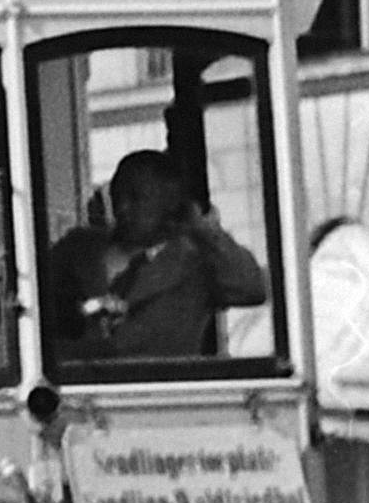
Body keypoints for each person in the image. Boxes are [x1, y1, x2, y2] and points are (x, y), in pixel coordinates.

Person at [47, 151, 271, 369]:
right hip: (78, 388)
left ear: (171, 200)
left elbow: (252, 290)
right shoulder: (80, 249)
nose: (123, 208)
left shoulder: (195, 261)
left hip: (159, 393)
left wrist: (205, 230)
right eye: (117, 196)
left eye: (136, 198)